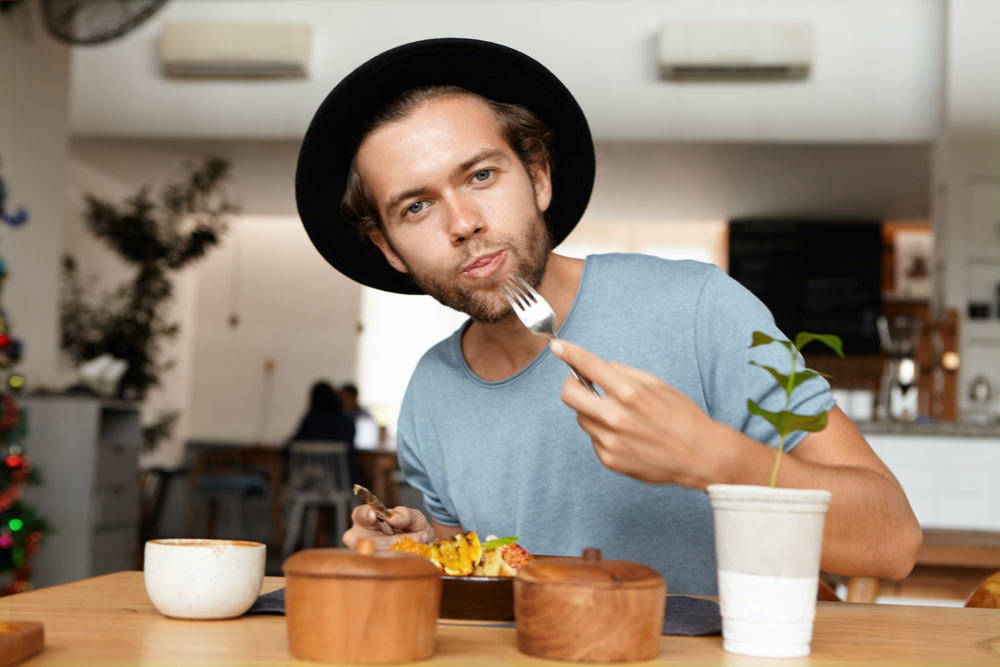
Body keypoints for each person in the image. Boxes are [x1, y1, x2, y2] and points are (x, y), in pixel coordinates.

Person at [295, 39, 922, 593]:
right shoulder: (430, 394)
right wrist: (420, 550)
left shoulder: (700, 308)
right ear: (388, 250)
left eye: (482, 175)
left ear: (538, 177)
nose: (464, 225)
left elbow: (892, 541)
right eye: (415, 208)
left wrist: (714, 458)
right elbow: (480, 582)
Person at [289, 381, 358, 484]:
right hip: (341, 479)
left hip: (311, 479)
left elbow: (293, 445)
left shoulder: (309, 420)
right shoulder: (347, 422)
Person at [339, 383, 381, 451]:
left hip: (363, 450)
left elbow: (370, 438)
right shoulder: (338, 416)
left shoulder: (364, 415)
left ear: (355, 397)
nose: (344, 401)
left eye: (347, 397)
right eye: (342, 398)